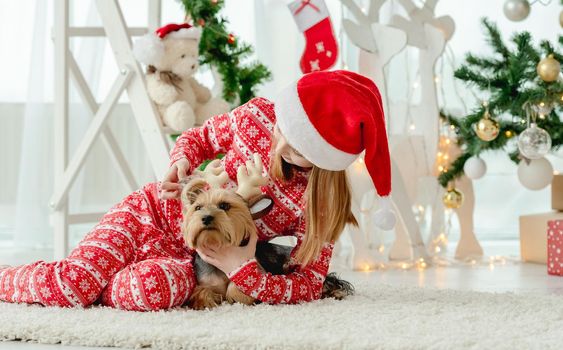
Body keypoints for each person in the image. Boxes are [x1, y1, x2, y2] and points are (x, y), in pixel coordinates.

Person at [0, 70, 394, 311]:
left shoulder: (319, 206)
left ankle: (104, 287)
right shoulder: (256, 115)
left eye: (301, 151)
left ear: (329, 161)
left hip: (192, 263)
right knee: (73, 285)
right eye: (284, 131)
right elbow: (199, 137)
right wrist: (181, 160)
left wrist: (244, 271)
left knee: (150, 291)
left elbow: (308, 286)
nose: (281, 148)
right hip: (153, 214)